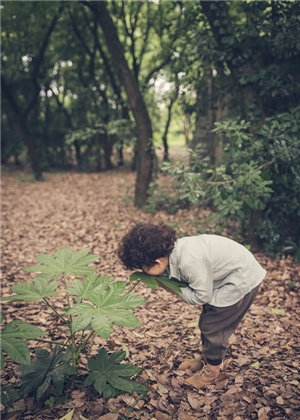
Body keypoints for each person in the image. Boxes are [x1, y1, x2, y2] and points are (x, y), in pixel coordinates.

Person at [117, 222, 266, 389]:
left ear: (157, 261)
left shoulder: (189, 262)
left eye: (144, 268)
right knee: (206, 320)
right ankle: (208, 358)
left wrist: (171, 289)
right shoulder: (174, 252)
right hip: (224, 278)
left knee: (213, 328)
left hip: (240, 282)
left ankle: (213, 372)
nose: (143, 273)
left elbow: (202, 296)